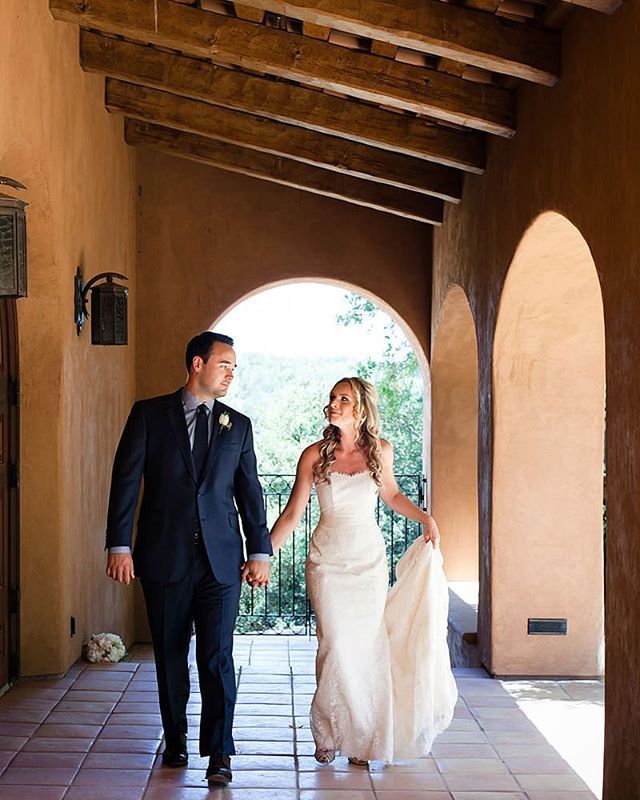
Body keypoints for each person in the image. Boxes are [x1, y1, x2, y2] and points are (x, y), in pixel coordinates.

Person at [105, 331, 272, 787]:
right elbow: (125, 481)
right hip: (162, 556)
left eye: (235, 366)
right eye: (225, 364)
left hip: (221, 563)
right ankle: (175, 738)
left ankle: (220, 752)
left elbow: (250, 492)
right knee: (170, 654)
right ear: (197, 364)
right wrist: (119, 544)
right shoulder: (149, 415)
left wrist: (260, 549)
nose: (232, 373)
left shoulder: (238, 425)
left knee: (217, 656)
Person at [270, 377, 457, 764]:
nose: (333, 404)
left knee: (365, 647)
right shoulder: (314, 455)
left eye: (343, 399)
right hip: (327, 561)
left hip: (368, 560)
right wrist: (263, 553)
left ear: (360, 408)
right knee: (336, 643)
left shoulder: (379, 452)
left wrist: (425, 518)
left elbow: (390, 494)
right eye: (332, 397)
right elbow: (292, 514)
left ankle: (363, 739)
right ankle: (327, 731)